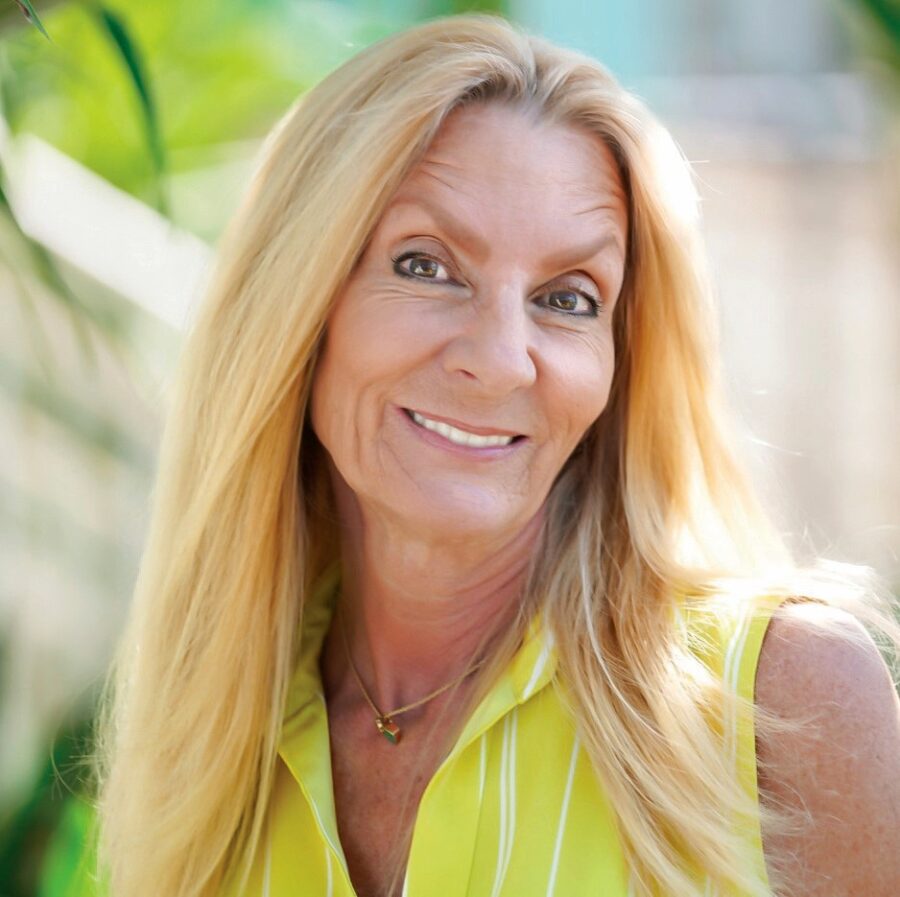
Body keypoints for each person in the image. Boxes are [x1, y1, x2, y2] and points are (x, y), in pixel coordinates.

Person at [91, 14, 900, 897]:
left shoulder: (783, 705)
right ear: (298, 305)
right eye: (426, 266)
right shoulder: (206, 753)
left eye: (568, 298)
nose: (503, 357)